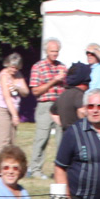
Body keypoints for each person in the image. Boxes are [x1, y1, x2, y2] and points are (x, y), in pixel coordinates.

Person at [27, 38, 66, 178]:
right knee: (42, 138)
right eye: (52, 51)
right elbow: (35, 91)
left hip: (61, 106)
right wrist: (55, 80)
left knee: (62, 140)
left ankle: (61, 171)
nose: (55, 54)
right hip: (45, 105)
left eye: (57, 51)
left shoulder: (62, 67)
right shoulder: (38, 67)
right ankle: (35, 169)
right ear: (46, 51)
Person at [0, 52, 28, 159]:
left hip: (12, 109)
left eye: (17, 67)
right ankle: (0, 171)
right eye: (12, 67)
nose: (14, 70)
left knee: (12, 142)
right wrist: (15, 116)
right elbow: (7, 98)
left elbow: (26, 92)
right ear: (7, 64)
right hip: (0, 109)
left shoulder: (18, 75)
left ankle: (9, 166)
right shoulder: (3, 76)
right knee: (3, 142)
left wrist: (17, 87)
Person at [52, 63, 92, 130]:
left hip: (67, 134)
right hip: (78, 135)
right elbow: (82, 111)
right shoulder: (79, 94)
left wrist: (63, 125)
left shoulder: (63, 94)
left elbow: (53, 112)